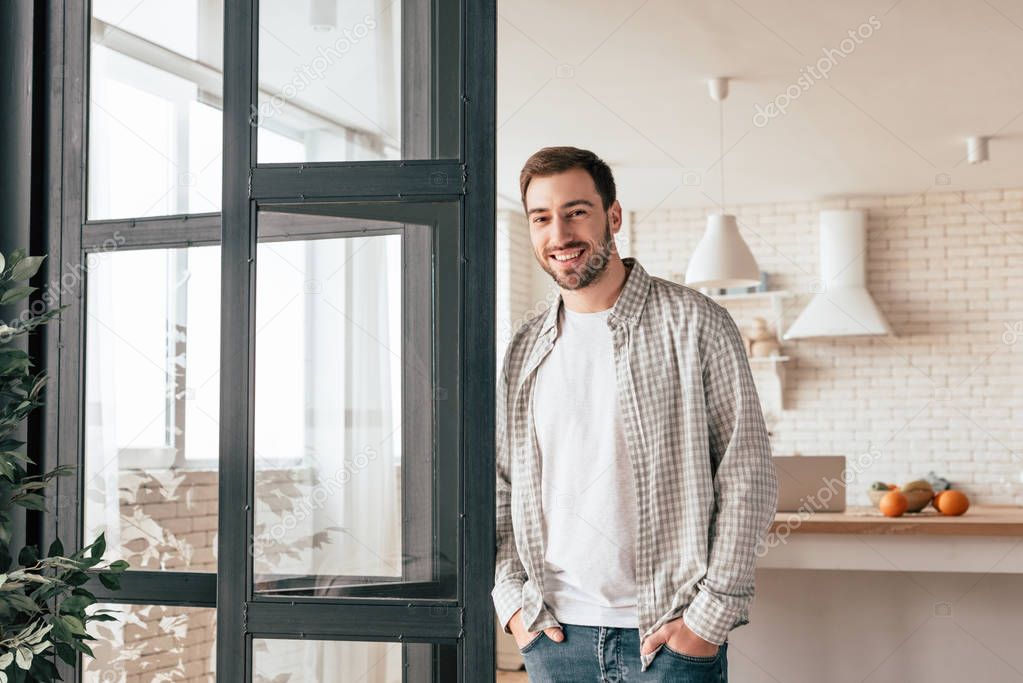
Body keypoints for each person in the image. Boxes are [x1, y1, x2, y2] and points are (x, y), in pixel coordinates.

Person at [493, 146, 779, 681]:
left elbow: (748, 476)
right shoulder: (524, 346)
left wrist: (707, 621)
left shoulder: (695, 323)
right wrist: (513, 604)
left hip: (670, 637)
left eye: (576, 211)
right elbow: (501, 485)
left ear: (613, 216)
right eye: (541, 218)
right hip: (555, 637)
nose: (559, 235)